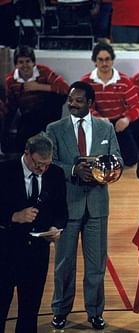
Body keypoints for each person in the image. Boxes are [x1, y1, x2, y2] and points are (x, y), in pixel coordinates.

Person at [46, 81, 123, 330]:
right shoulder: (54, 128)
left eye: (79, 100)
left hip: (97, 206)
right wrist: (72, 169)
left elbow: (118, 159)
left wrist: (105, 172)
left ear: (90, 104)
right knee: (64, 264)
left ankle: (95, 312)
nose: (73, 104)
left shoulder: (105, 127)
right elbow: (49, 162)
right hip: (67, 206)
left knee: (96, 265)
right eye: (71, 99)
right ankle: (60, 310)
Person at [0, 133, 68, 333]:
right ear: (27, 153)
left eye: (46, 164)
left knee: (30, 312)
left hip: (37, 254)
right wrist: (14, 216)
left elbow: (62, 212)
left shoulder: (54, 174)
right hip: (6, 252)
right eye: (38, 164)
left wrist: (56, 228)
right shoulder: (4, 172)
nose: (42, 169)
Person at [81, 42, 139, 166]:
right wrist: (97, 118)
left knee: (131, 159)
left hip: (119, 124)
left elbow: (136, 106)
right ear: (95, 61)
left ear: (112, 60)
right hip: (95, 123)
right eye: (101, 60)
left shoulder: (124, 81)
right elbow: (82, 106)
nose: (104, 63)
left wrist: (127, 119)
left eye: (107, 59)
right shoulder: (86, 81)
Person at [3, 45, 69, 155]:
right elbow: (11, 105)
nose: (24, 66)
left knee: (58, 97)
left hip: (47, 112)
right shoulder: (10, 80)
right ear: (16, 64)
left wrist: (38, 86)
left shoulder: (43, 71)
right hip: (29, 116)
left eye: (28, 61)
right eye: (21, 62)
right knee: (20, 147)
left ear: (33, 62)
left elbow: (65, 88)